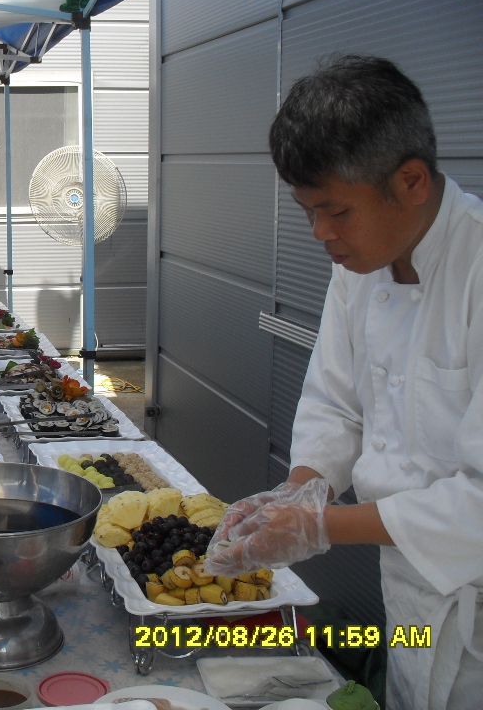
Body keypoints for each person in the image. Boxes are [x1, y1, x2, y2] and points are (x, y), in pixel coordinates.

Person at [203, 55, 483, 709]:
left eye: (336, 211)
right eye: (307, 211)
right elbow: (337, 402)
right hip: (411, 590)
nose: (321, 234)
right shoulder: (363, 259)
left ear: (411, 181)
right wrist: (296, 492)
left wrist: (320, 525)